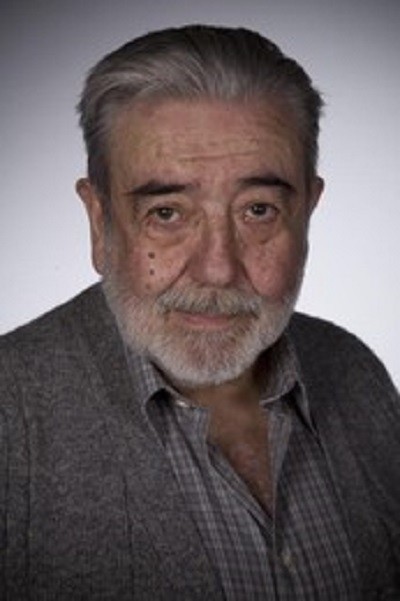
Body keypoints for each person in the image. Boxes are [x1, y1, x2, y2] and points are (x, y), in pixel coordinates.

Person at [0, 25, 399, 600]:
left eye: (258, 210)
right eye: (166, 213)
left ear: (307, 213)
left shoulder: (356, 372)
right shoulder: (10, 415)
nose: (217, 269)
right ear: (99, 221)